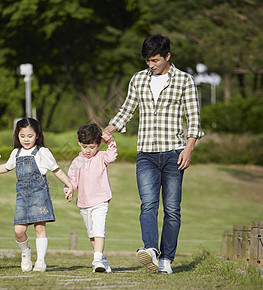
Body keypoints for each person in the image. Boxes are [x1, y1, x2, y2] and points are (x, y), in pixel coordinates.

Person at [103, 34, 204, 274]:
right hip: (146, 153)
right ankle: (150, 250)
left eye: (155, 60)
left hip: (174, 153)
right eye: (148, 60)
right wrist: (109, 128)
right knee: (148, 204)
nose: (151, 65)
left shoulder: (184, 80)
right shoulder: (138, 79)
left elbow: (194, 118)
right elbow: (127, 109)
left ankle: (166, 259)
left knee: (172, 208)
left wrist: (189, 149)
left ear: (168, 56)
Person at [0, 118, 73, 272]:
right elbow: (7, 167)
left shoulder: (42, 152)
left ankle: (40, 261)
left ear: (37, 135)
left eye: (30, 136)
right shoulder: (16, 153)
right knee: (18, 231)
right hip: (22, 198)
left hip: (39, 195)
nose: (26, 139)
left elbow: (57, 170)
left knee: (40, 228)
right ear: (17, 135)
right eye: (22, 136)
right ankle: (26, 252)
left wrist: (69, 184)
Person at [65, 124, 117, 273]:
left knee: (99, 231)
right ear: (79, 144)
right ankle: (103, 261)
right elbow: (71, 179)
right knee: (92, 235)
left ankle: (96, 260)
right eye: (85, 146)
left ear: (98, 144)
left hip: (101, 201)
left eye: (92, 147)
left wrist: (110, 141)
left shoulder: (102, 157)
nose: (88, 150)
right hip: (84, 203)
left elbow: (112, 155)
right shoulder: (76, 161)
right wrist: (69, 190)